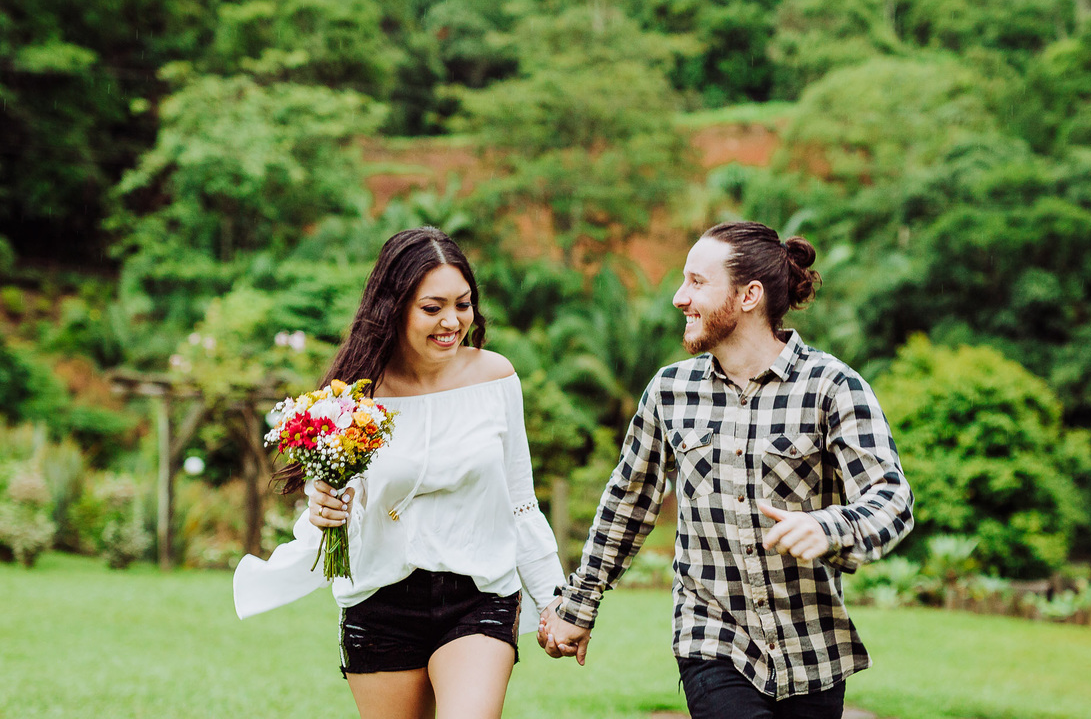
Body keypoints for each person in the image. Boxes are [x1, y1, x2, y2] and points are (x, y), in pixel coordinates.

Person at [538, 221, 914, 719]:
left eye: (697, 282)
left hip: (812, 651)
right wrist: (579, 604)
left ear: (749, 295)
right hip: (711, 639)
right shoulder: (670, 391)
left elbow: (891, 496)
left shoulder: (832, 387)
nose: (678, 297)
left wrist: (829, 527)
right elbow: (628, 503)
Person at [233, 227, 564, 719]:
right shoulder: (354, 396)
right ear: (394, 308)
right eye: (432, 308)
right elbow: (336, 500)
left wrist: (556, 599)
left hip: (478, 596)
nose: (451, 321)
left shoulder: (496, 378)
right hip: (380, 603)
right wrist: (323, 507)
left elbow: (520, 501)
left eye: (463, 304)